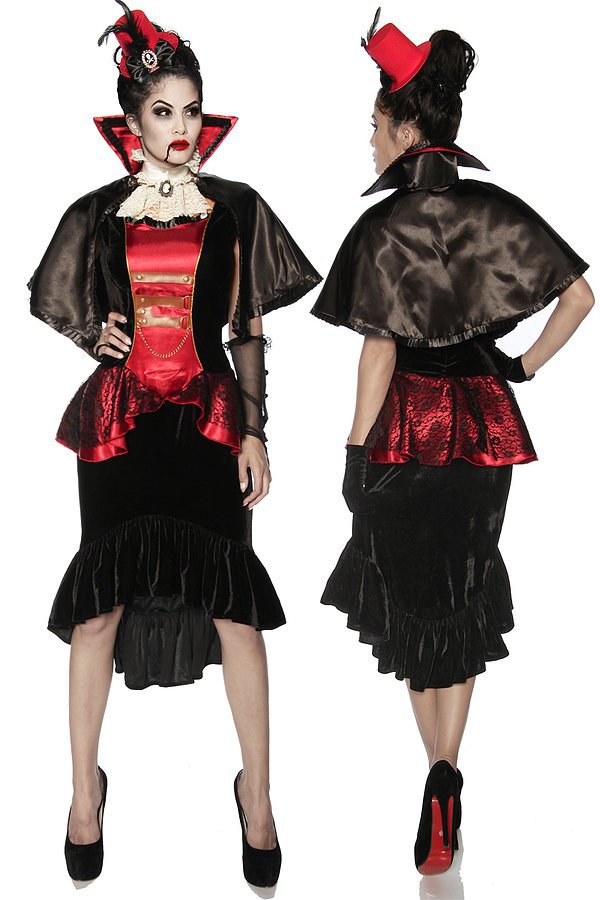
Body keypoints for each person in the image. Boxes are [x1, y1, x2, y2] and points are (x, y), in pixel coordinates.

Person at [28, 1, 320, 887]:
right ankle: (84, 794)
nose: (181, 127)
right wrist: (95, 337)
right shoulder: (96, 214)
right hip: (121, 426)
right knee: (97, 610)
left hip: (207, 423)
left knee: (237, 611)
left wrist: (257, 431)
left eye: (191, 110)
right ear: (133, 121)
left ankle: (258, 797)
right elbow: (61, 300)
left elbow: (249, 327)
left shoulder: (233, 208)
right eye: (164, 111)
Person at [311, 8, 594, 877]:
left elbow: (379, 351)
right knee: (464, 592)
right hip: (481, 423)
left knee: (412, 601)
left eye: (374, 123)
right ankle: (447, 771)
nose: (368, 139)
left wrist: (354, 452)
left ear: (405, 128)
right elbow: (579, 296)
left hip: (407, 428)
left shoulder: (383, 229)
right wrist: (521, 366)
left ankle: (434, 769)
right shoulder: (495, 209)